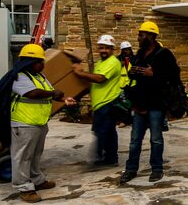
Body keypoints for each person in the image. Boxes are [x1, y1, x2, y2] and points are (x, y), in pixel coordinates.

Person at [10, 43, 77, 203]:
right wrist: (53, 93)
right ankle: (24, 188)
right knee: (23, 157)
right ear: (29, 61)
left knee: (35, 155)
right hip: (24, 123)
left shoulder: (39, 76)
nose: (43, 64)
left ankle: (37, 180)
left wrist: (63, 99)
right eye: (40, 61)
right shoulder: (19, 76)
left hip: (39, 122)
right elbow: (32, 93)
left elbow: (49, 93)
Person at [120, 21, 181, 185]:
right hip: (140, 104)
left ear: (151, 36)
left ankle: (157, 169)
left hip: (156, 105)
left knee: (156, 139)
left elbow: (174, 76)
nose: (138, 37)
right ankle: (131, 169)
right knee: (134, 140)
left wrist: (153, 74)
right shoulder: (140, 53)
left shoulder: (164, 54)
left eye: (141, 34)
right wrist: (135, 72)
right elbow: (136, 74)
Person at [73, 35, 124, 167]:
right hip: (101, 104)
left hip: (108, 103)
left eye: (107, 48)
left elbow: (100, 79)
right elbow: (94, 83)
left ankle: (99, 157)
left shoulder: (113, 62)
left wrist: (80, 73)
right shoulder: (101, 63)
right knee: (108, 131)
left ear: (113, 49)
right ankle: (110, 158)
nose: (103, 50)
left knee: (102, 131)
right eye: (101, 48)